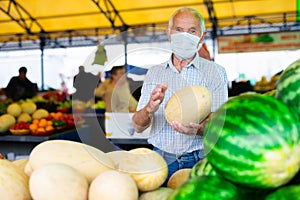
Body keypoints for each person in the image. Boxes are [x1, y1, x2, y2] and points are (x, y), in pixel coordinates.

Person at [132, 7, 229, 182]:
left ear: (202, 36)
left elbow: (219, 127)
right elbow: (138, 126)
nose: (184, 36)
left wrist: (198, 130)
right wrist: (149, 109)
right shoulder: (154, 73)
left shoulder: (216, 72)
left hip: (199, 159)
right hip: (160, 161)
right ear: (169, 33)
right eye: (178, 30)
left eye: (192, 31)